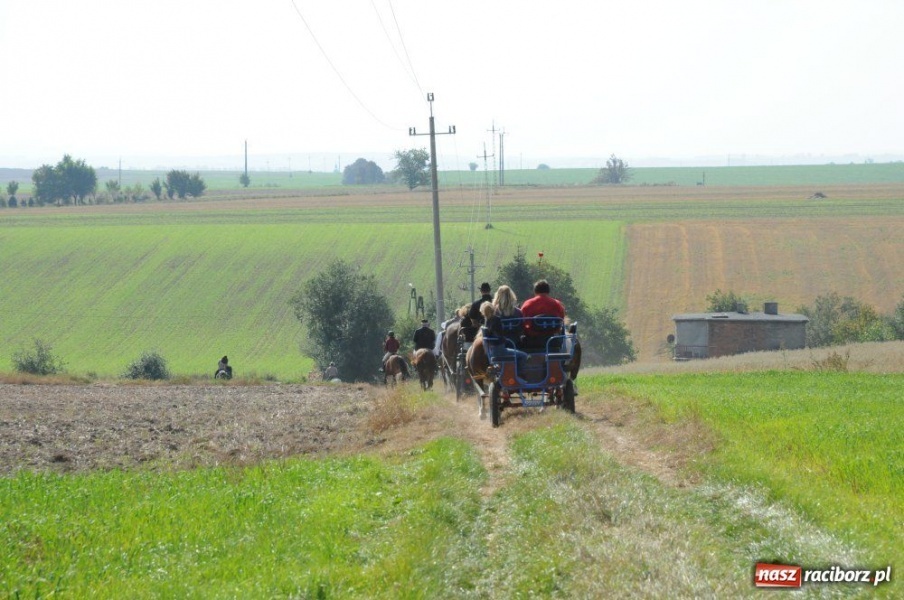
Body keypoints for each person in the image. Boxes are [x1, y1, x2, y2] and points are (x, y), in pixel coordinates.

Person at [519, 279, 566, 346]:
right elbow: (561, 319)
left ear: (535, 291)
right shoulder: (557, 304)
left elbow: (522, 322)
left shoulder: (527, 304)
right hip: (552, 341)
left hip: (531, 342)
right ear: (548, 291)